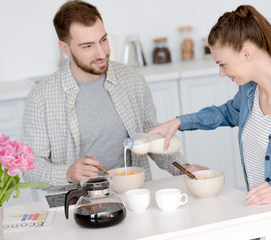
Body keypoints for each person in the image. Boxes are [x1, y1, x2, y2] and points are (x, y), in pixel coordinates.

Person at [148, 5, 271, 240]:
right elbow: (226, 113)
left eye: (222, 64)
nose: (222, 73)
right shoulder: (249, 92)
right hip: (267, 223)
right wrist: (179, 122)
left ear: (247, 53)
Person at [22, 0, 205, 192]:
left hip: (133, 195)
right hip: (75, 203)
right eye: (87, 46)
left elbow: (150, 138)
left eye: (103, 40)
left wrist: (183, 168)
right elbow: (30, 168)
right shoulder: (41, 97)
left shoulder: (131, 80)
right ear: (65, 48)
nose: (102, 53)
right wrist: (68, 173)